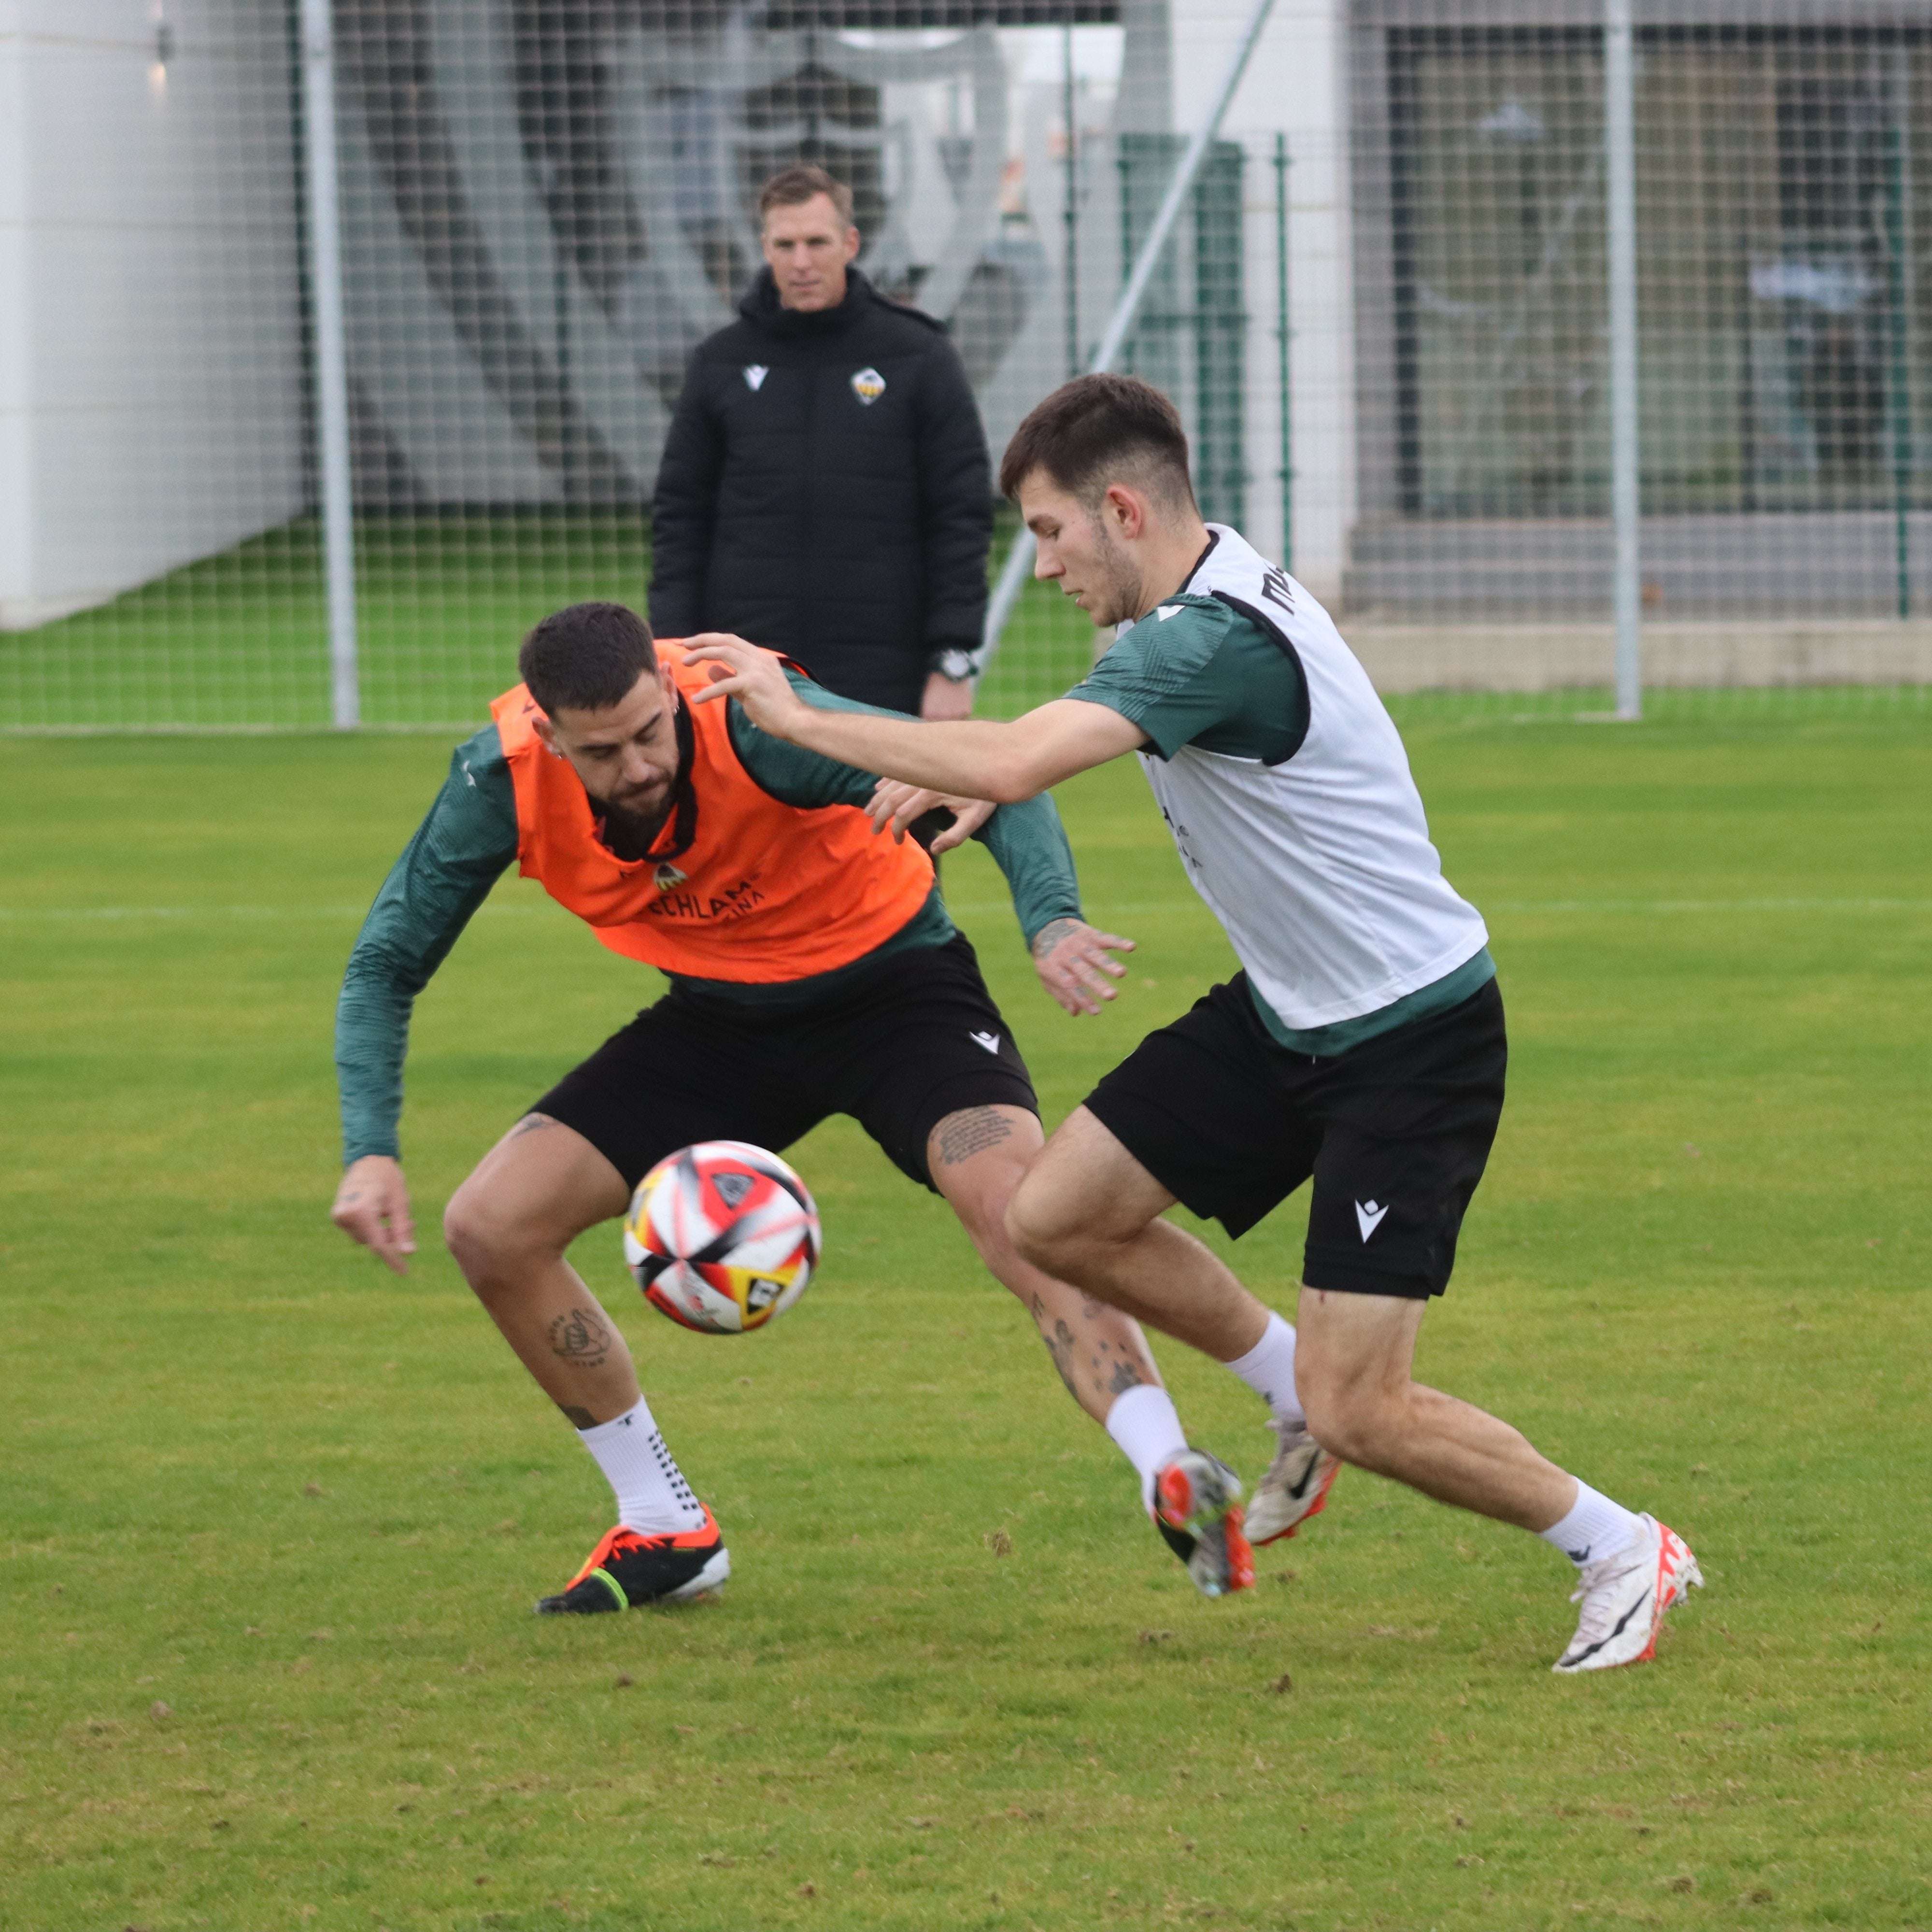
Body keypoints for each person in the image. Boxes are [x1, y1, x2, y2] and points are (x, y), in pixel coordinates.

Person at [684, 374, 1705, 1674]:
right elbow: (1036, 755)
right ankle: (1284, 1391)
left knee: (1365, 1408)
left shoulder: (1208, 639)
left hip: (1411, 1042)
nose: (1043, 565)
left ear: (1120, 508)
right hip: (1290, 1014)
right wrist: (983, 797)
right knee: (1056, 1218)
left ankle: (1622, 1546)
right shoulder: (1194, 604)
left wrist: (791, 712)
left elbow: (1012, 755)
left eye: (1050, 533)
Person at [329, 602, 1286, 1614]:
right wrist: (369, 1148)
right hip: (718, 1029)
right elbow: (386, 959)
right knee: (489, 1225)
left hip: (898, 995)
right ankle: (664, 1523)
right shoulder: (499, 780)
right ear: (550, 735)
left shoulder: (746, 722)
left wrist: (1047, 919)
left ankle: (1166, 1469)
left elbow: (991, 774)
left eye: (651, 732)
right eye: (602, 752)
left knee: (1028, 1218)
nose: (641, 765)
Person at [649, 164, 991, 722]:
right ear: (765, 247)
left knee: (880, 812)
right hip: (748, 664)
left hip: (885, 669)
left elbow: (960, 515)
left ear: (850, 243)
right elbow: (680, 516)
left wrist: (951, 659)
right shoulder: (721, 361)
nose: (801, 262)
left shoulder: (918, 356)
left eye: (817, 242)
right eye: (785, 244)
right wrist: (675, 649)